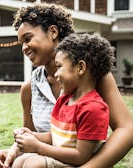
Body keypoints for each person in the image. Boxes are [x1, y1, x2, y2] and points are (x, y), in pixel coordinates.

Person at [0, 3, 133, 168]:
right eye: (21, 43)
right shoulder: (29, 88)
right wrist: (12, 152)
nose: (24, 48)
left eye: (28, 39)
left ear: (53, 32)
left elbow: (127, 131)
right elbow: (34, 140)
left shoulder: (94, 75)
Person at [11, 33, 114, 167]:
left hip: (77, 163)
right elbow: (56, 136)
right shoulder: (64, 101)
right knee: (20, 161)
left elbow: (80, 156)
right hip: (61, 158)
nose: (56, 73)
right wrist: (32, 136)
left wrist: (38, 147)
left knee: (33, 164)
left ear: (81, 68)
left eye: (59, 67)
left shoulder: (93, 109)